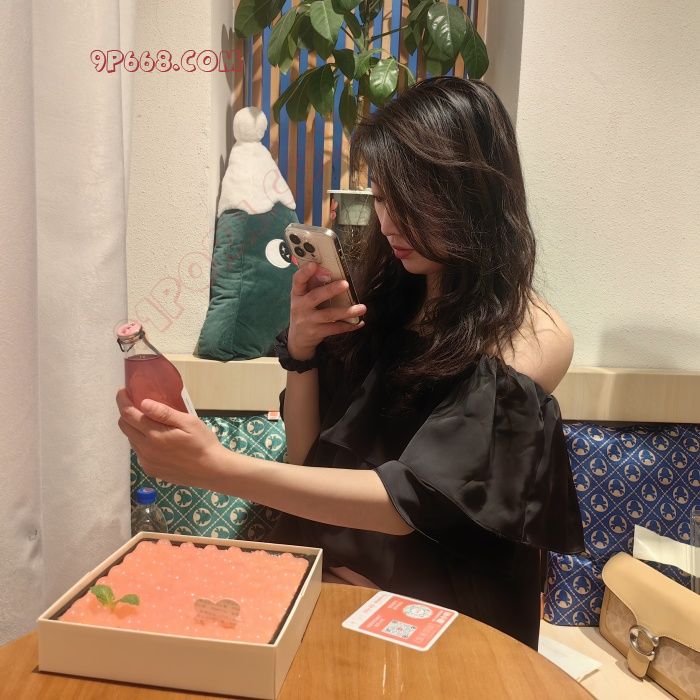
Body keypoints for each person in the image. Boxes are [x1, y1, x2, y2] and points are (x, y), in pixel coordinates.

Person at [117, 76, 584, 649]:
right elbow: (307, 457)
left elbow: (406, 503)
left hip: (439, 623)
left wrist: (215, 467)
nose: (388, 223)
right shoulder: (391, 297)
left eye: (409, 200)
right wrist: (303, 353)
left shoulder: (531, 332)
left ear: (471, 193)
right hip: (337, 591)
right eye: (382, 198)